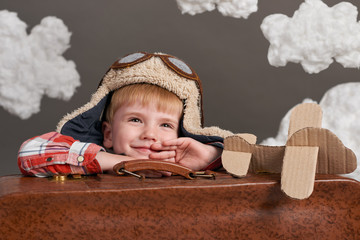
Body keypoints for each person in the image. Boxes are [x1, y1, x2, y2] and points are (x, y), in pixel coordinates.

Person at [18, 52, 233, 177]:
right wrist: (118, 163)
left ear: (182, 133)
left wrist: (210, 157)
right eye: (135, 120)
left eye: (166, 125)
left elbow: (255, 163)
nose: (150, 134)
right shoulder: (94, 159)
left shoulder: (189, 164)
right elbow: (29, 152)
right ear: (108, 133)